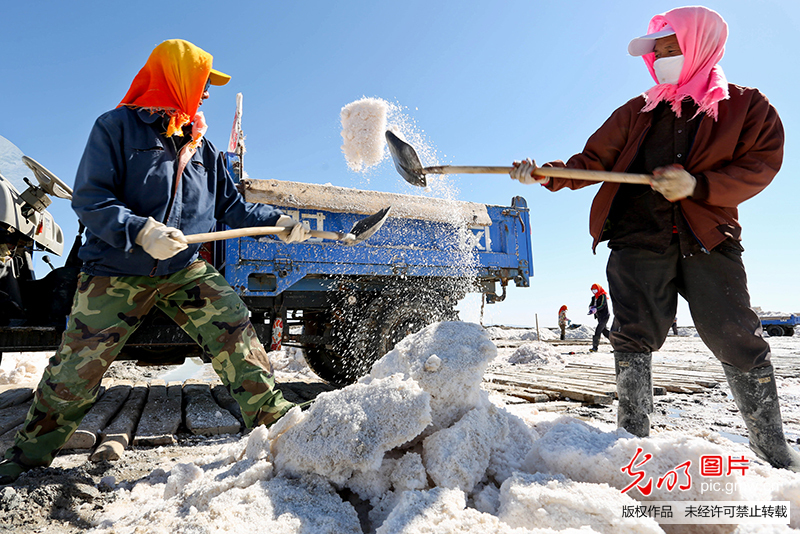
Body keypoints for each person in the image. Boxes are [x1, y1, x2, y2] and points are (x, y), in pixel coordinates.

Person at [0, 39, 312, 484]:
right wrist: (141, 231)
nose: (206, 93)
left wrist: (279, 221)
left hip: (181, 269)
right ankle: (29, 454)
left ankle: (275, 419)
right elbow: (91, 199)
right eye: (202, 83)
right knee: (76, 369)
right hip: (116, 270)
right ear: (177, 78)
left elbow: (233, 208)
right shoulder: (116, 128)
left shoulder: (201, 147)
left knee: (234, 330)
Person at [510, 6, 800, 471]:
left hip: (707, 238)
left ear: (701, 45)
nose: (661, 57)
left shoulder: (746, 106)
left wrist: (698, 187)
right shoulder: (638, 112)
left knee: (734, 334)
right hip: (637, 238)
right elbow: (590, 161)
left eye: (672, 47)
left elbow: (761, 163)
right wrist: (544, 174)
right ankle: (632, 444)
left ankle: (773, 450)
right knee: (632, 336)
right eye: (657, 51)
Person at [587, 284, 610, 352]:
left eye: (595, 289)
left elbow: (602, 305)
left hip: (605, 316)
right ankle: (616, 343)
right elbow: (591, 304)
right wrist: (591, 308)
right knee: (605, 331)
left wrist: (596, 309)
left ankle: (595, 347)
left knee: (598, 330)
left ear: (599, 289)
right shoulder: (593, 298)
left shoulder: (603, 296)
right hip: (599, 316)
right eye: (592, 289)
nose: (594, 291)